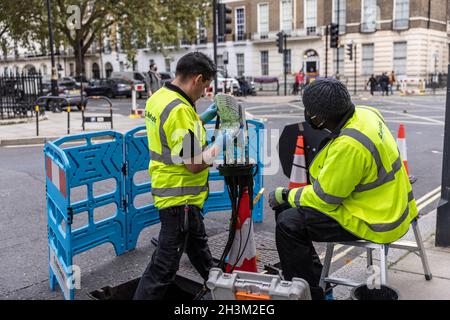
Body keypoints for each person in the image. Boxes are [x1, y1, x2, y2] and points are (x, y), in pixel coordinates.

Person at [268, 79, 418, 300]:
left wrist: (285, 194)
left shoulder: (349, 145)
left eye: (308, 111)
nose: (307, 115)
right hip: (390, 205)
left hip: (375, 219)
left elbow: (324, 198)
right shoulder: (367, 113)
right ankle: (312, 279)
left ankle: (311, 294)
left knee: (288, 223)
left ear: (320, 117)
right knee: (289, 212)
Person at [134, 52, 223, 300]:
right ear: (197, 79)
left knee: (200, 252)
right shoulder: (180, 110)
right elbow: (194, 164)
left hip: (176, 195)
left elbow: (173, 134)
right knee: (163, 268)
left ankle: (224, 291)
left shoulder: (159, 97)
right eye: (206, 86)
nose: (205, 93)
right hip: (179, 198)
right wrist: (223, 142)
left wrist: (201, 118)